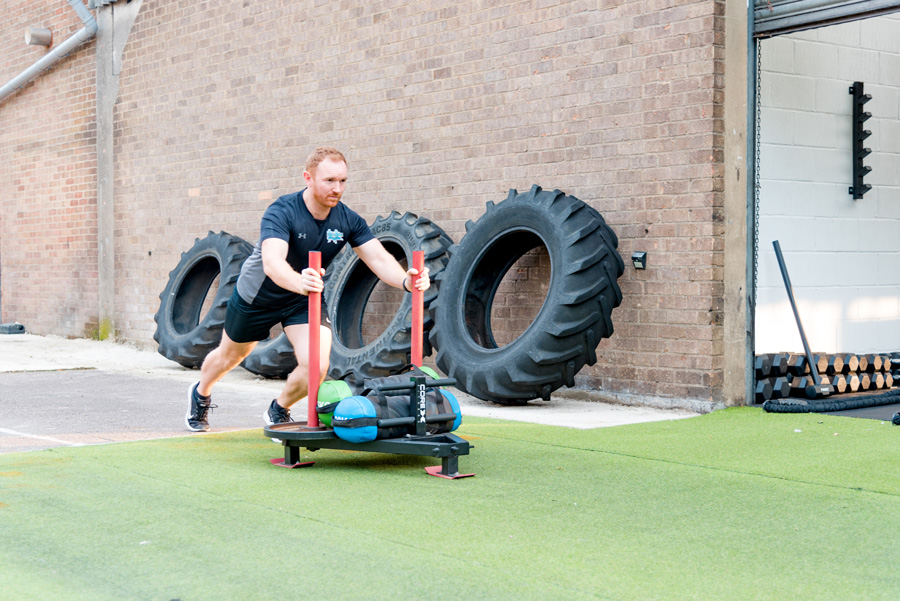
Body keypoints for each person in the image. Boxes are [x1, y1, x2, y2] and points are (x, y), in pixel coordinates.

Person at [185, 147, 430, 432]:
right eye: (329, 181)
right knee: (231, 357)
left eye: (342, 181)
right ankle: (201, 392)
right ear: (308, 178)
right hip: (257, 296)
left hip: (303, 298)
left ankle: (280, 409)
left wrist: (405, 281)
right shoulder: (282, 211)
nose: (337, 188)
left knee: (317, 364)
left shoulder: (347, 219)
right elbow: (272, 263)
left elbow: (376, 257)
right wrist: (298, 281)